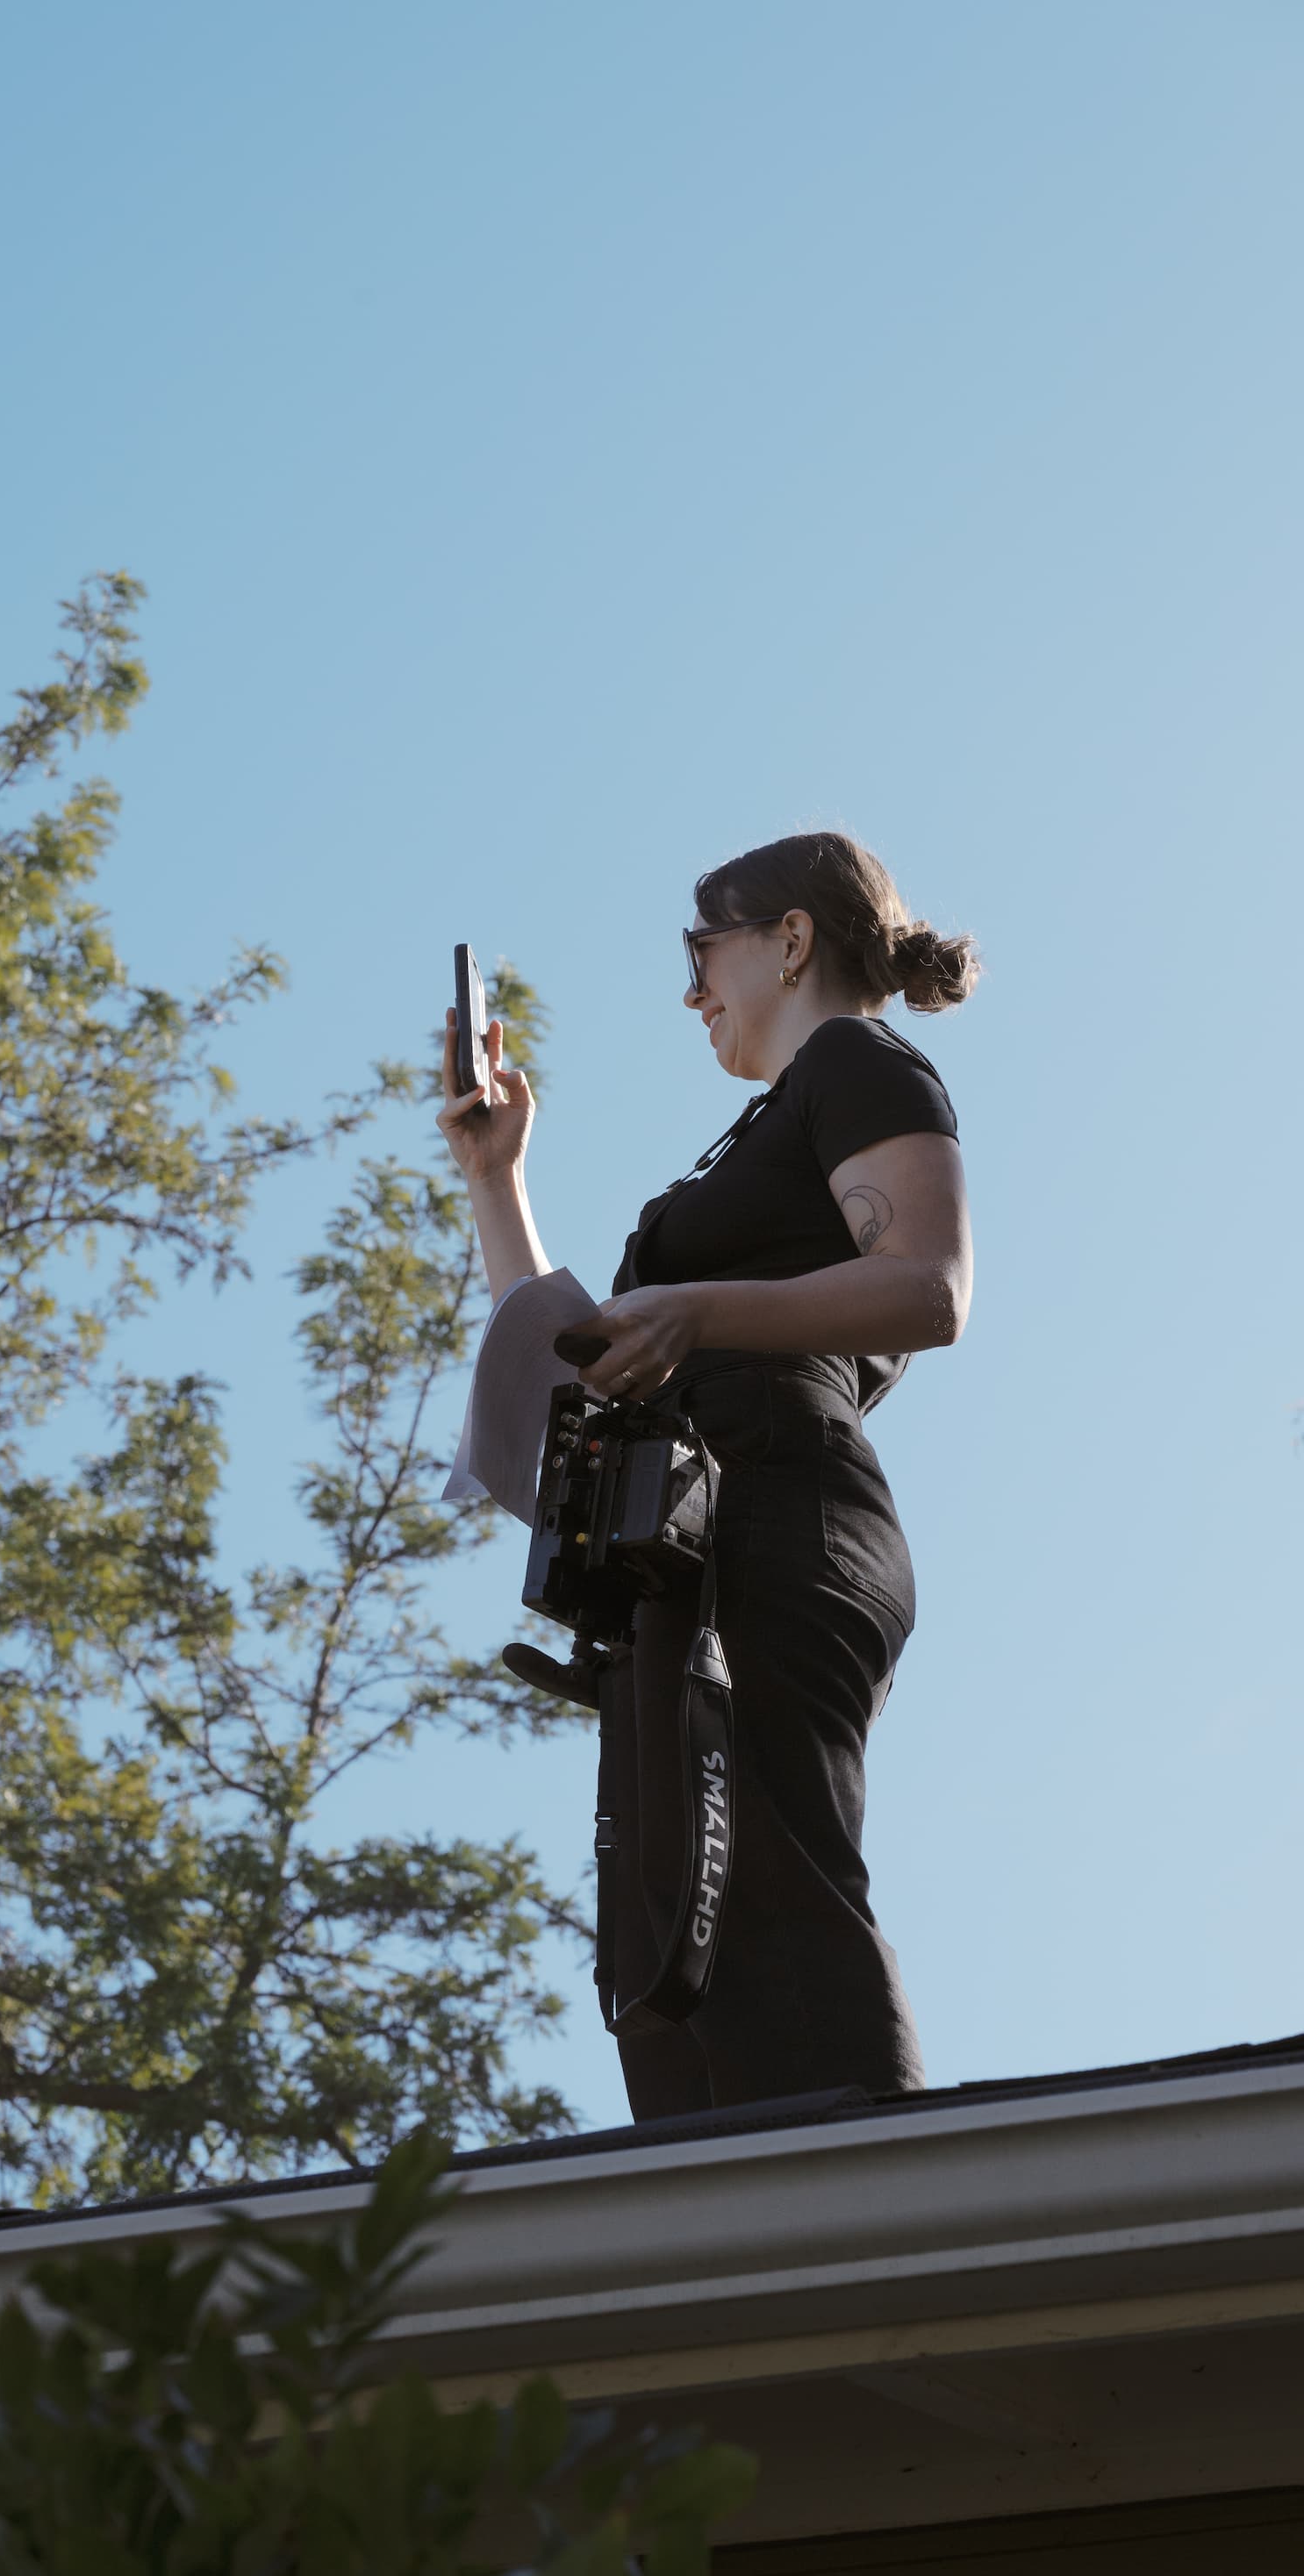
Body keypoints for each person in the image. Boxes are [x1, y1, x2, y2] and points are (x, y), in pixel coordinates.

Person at [437, 831, 978, 2120]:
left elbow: (929, 1286)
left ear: (790, 938)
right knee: (673, 1937)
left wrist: (695, 1311)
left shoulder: (855, 1060)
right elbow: (590, 1351)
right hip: (679, 1550)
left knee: (769, 1895)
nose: (691, 991)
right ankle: (731, 2226)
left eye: (703, 949)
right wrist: (495, 1174)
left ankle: (861, 2223)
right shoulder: (758, 1136)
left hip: (776, 1510)